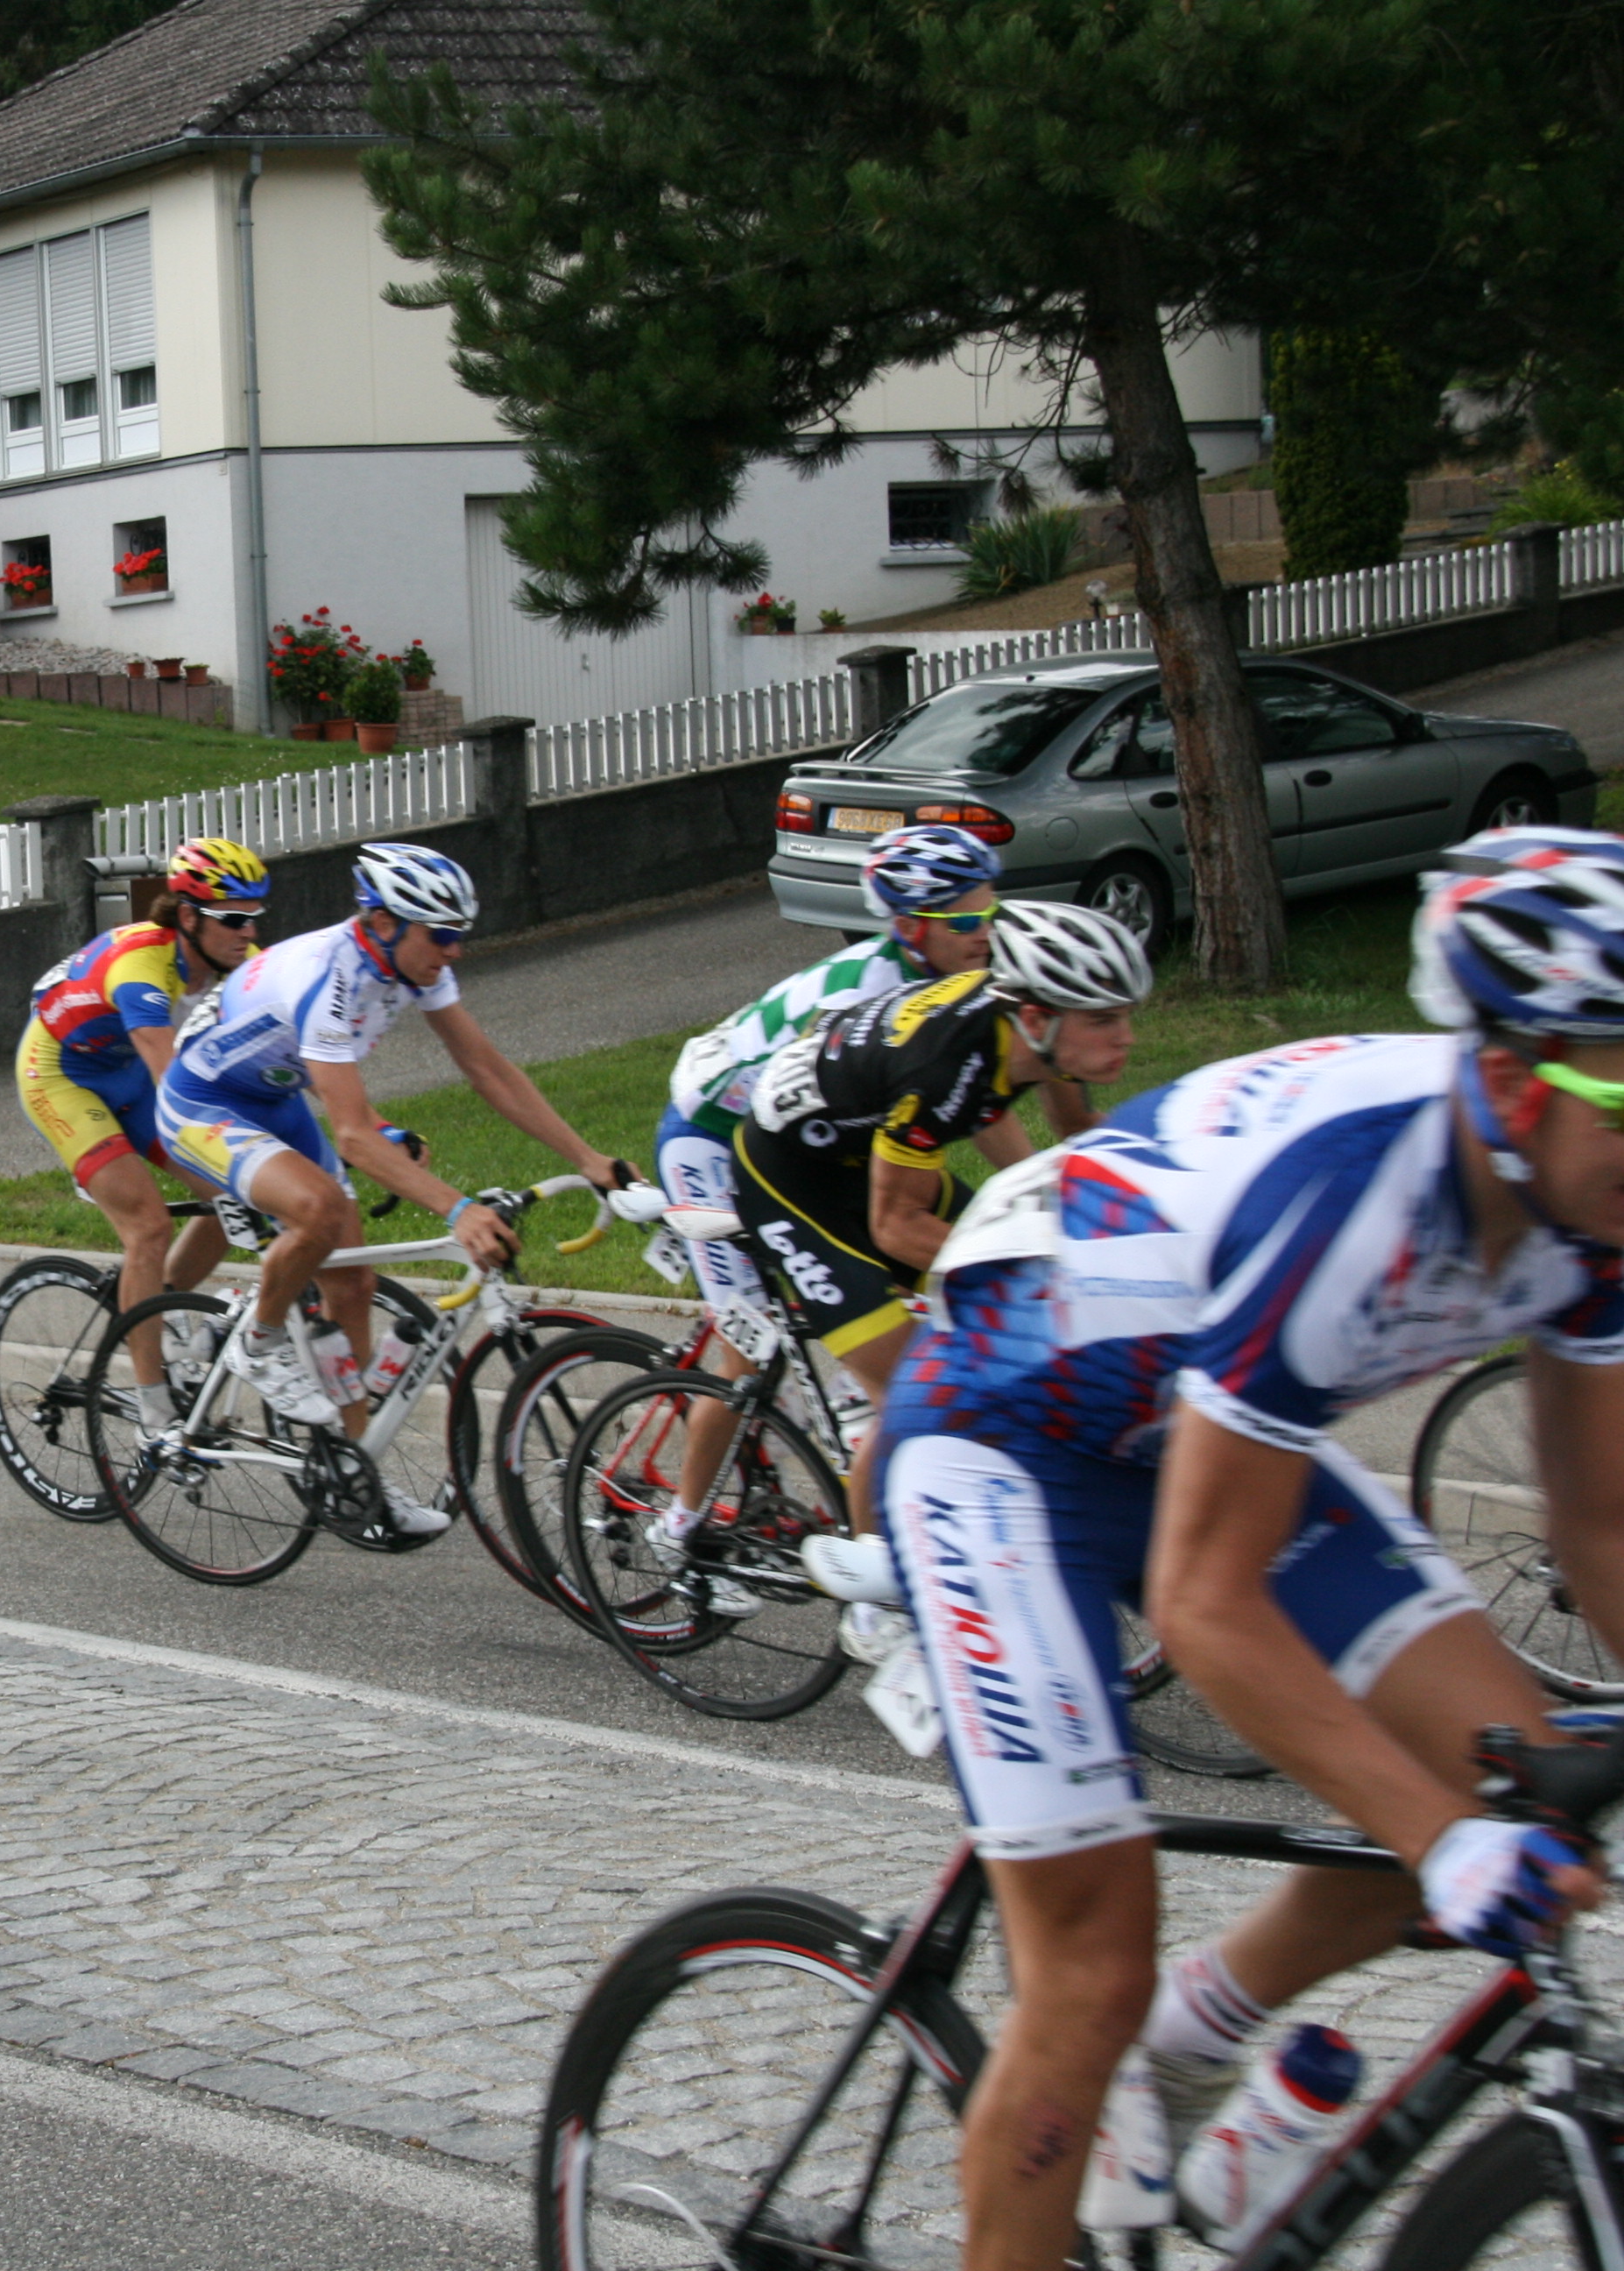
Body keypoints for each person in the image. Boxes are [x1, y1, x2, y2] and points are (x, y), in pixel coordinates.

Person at [881, 834, 1624, 2271]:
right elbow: (1201, 1603)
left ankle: (1196, 2037)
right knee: (1085, 1973)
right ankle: (1119, 2057)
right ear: (1520, 1079)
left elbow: (1596, 1525)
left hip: (1182, 1427)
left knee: (1507, 1768)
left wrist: (1466, 1818)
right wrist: (1433, 1841)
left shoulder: (1588, 1208)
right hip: (994, 1441)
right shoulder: (1363, 1195)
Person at [158, 841, 639, 1526]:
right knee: (319, 1211)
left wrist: (587, 1157)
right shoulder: (328, 978)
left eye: (459, 936)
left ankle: (353, 1478)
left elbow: (487, 1068)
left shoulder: (414, 965)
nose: (455, 951)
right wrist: (458, 1208)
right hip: (203, 1102)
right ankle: (258, 1344)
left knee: (350, 1287)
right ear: (384, 923)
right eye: (442, 937)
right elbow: (351, 1133)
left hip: (276, 1098)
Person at [726, 898, 1140, 1623]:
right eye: (1104, 1020)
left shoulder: (1035, 1025)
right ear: (1038, 1018)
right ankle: (873, 1596)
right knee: (913, 1378)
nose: (1125, 1036)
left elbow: (1076, 1136)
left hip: (869, 1150)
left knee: (1024, 1286)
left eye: (1125, 1013)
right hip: (790, 1182)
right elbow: (895, 1228)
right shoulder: (947, 1066)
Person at [654, 824, 1006, 1551]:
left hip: (797, 1141)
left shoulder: (948, 988)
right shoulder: (871, 993)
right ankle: (679, 1527)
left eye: (992, 913)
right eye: (968, 920)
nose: (986, 934)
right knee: (746, 1354)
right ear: (911, 928)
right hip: (711, 1142)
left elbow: (978, 1105)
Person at [18, 837, 270, 1421]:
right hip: (61, 1075)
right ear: (188, 917)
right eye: (234, 919)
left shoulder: (239, 958)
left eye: (255, 918)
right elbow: (175, 1085)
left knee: (236, 1193)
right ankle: (155, 1407)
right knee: (149, 1227)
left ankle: (167, 1304)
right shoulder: (142, 968)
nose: (247, 932)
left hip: (124, 1072)